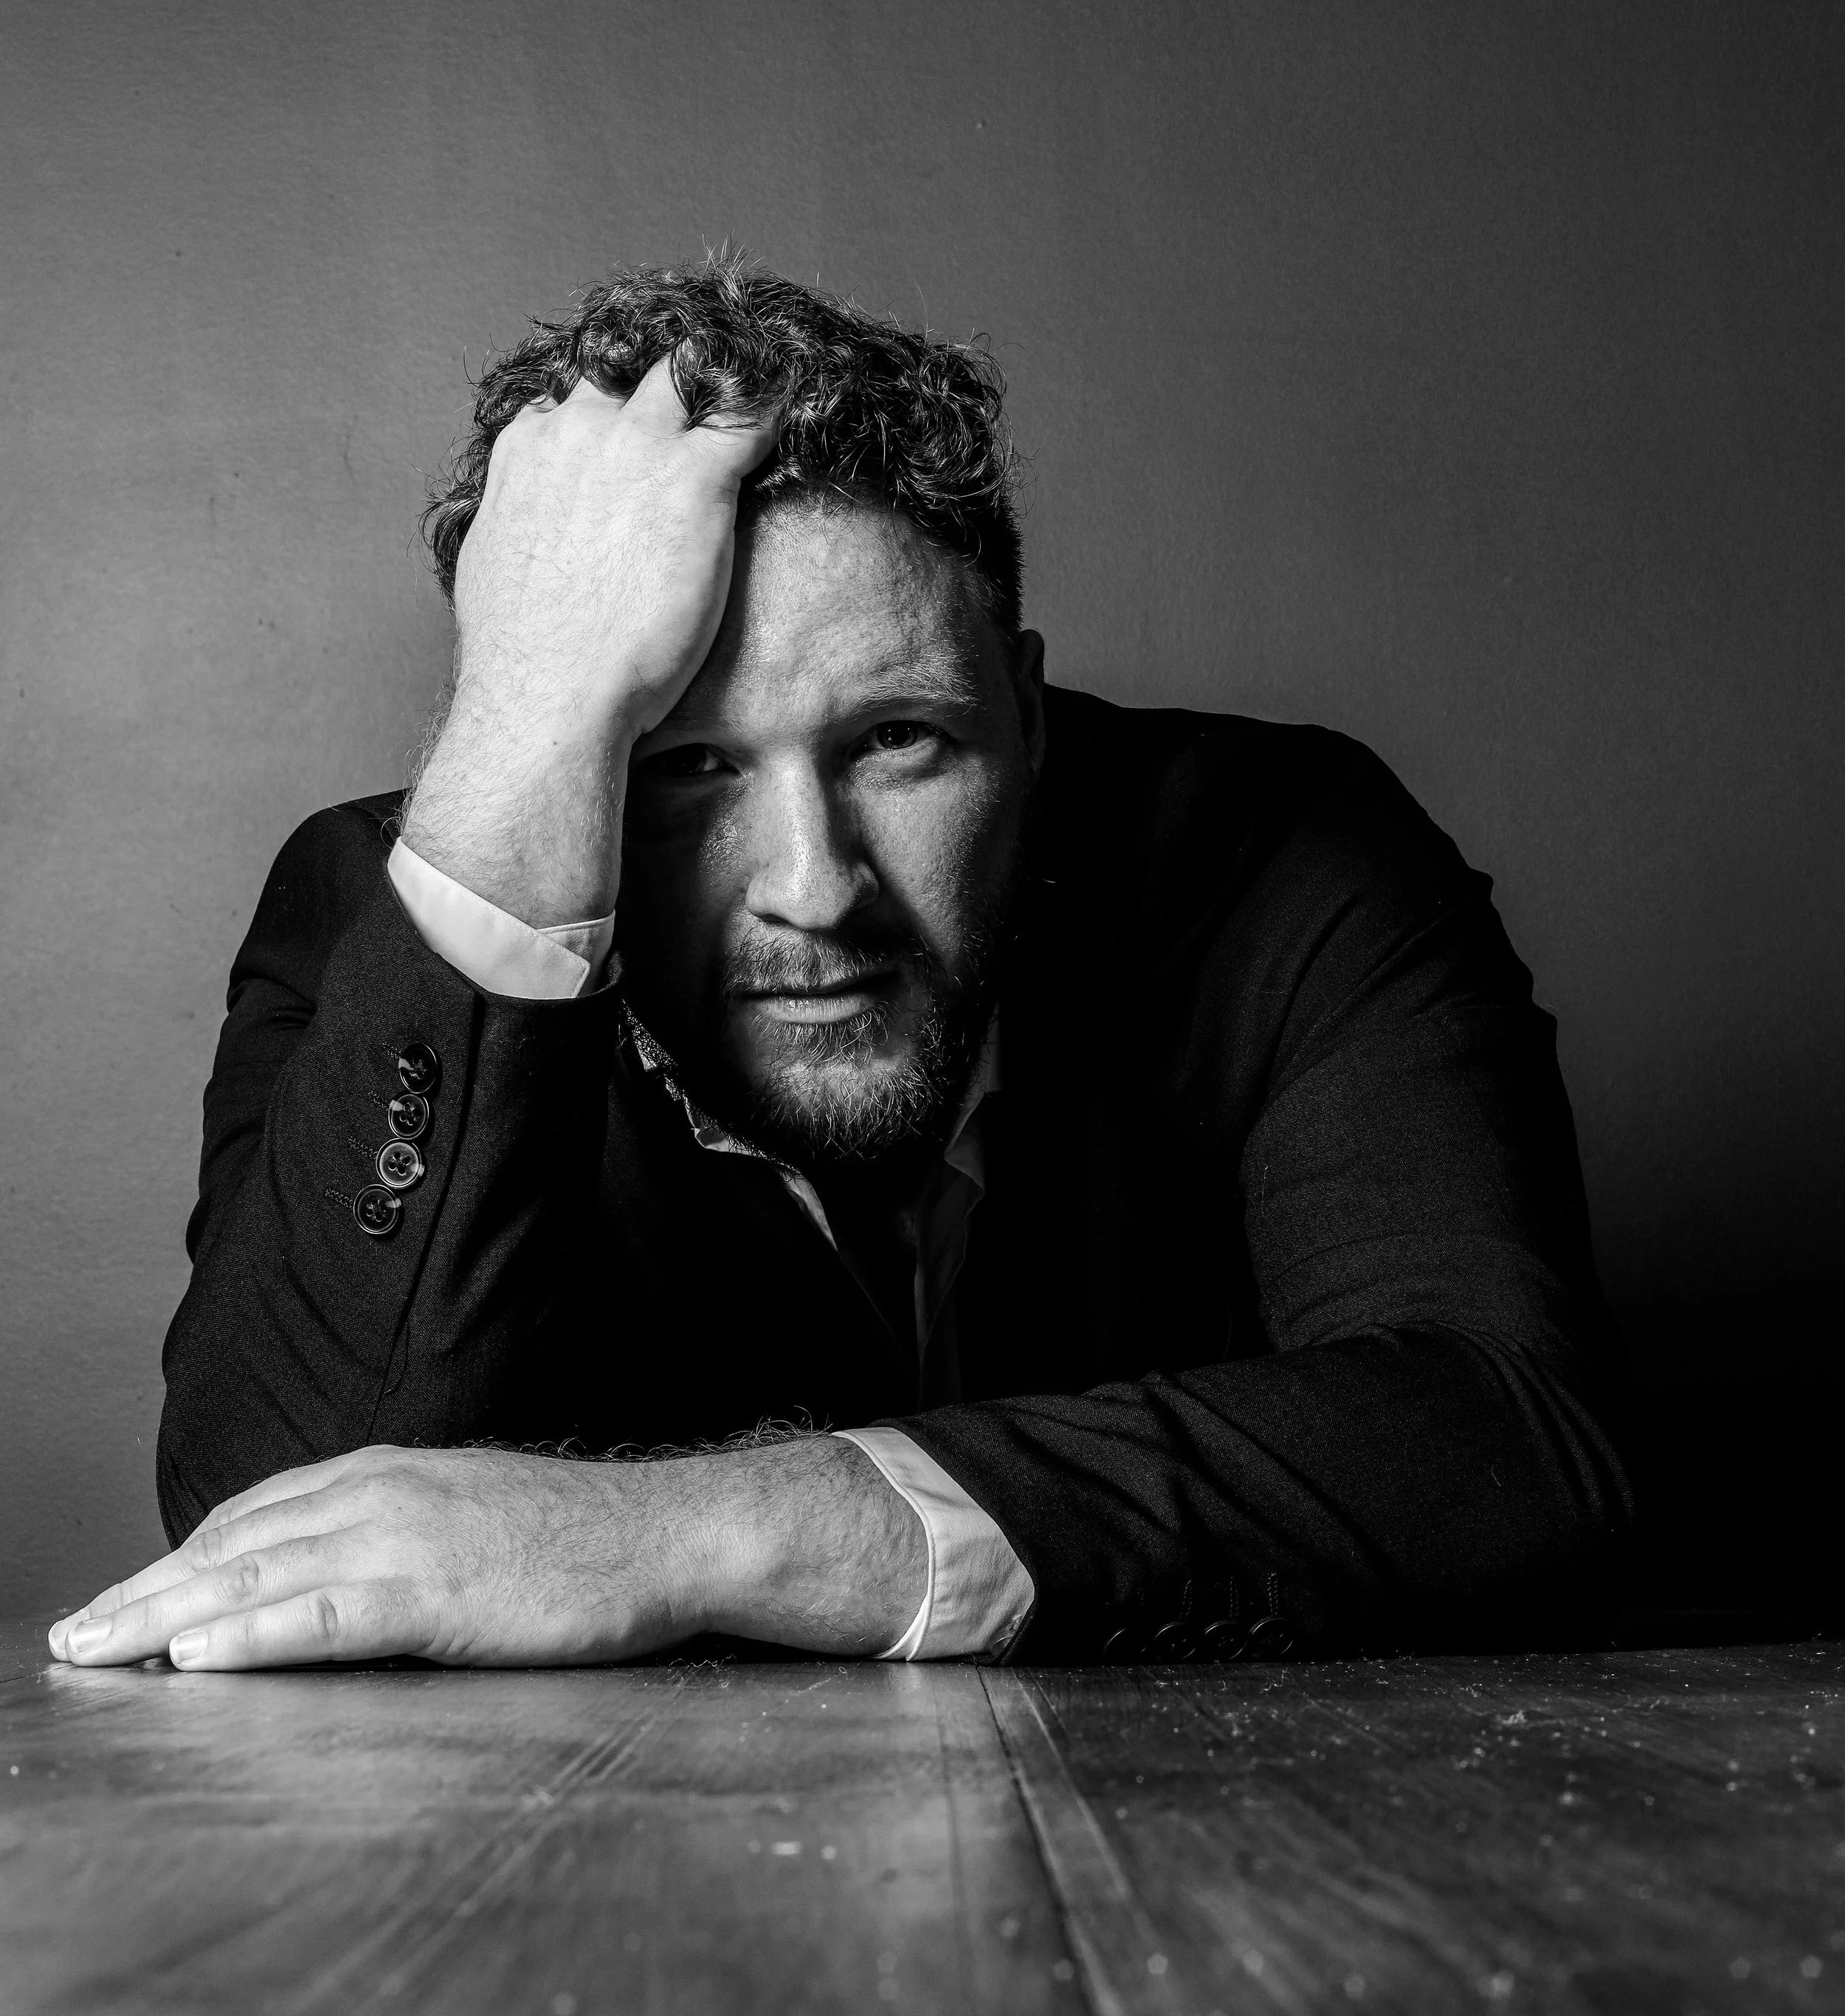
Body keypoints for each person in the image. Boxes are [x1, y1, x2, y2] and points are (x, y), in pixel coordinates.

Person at [49, 257, 1635, 1675]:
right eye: (683, 771)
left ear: (1020, 708)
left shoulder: (1278, 854)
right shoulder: (385, 912)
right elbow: (273, 1543)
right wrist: (525, 748)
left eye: (896, 740)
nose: (813, 889)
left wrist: (697, 1536)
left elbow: (1503, 1438)